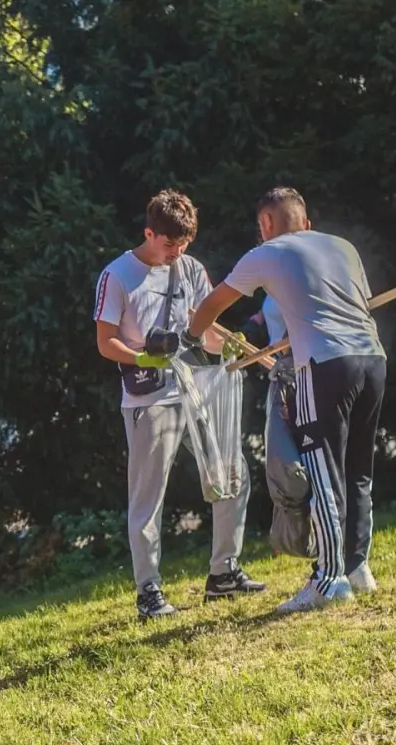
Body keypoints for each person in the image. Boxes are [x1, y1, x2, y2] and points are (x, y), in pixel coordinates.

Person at [186, 187, 387, 613]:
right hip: (372, 359)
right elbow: (360, 304)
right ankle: (357, 566)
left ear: (266, 225)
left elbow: (211, 307)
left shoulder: (267, 253)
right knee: (358, 469)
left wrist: (187, 339)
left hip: (322, 365)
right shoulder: (342, 246)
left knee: (323, 471)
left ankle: (328, 580)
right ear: (306, 221)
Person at [93, 189, 265, 619]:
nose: (177, 252)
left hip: (195, 388)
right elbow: (104, 342)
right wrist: (140, 357)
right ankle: (148, 592)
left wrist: (230, 345)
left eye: (185, 244)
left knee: (231, 471)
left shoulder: (189, 268)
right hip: (148, 398)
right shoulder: (117, 276)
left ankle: (223, 572)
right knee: (148, 496)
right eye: (170, 244)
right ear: (149, 233)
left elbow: (203, 327)